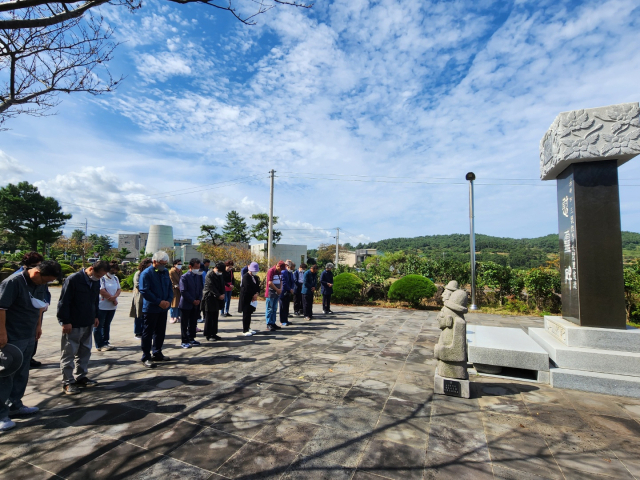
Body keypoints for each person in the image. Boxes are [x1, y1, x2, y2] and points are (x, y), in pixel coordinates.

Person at [0, 261, 61, 430]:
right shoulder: (13, 282)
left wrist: (38, 326)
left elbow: (40, 306)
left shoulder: (39, 283)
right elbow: (1, 308)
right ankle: (1, 414)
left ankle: (15, 406)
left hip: (28, 334)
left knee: (22, 371)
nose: (45, 284)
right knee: (6, 375)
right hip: (11, 336)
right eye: (45, 281)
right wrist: (2, 333)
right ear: (36, 273)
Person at [57, 260, 110, 394]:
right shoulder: (74, 279)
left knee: (85, 351)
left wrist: (96, 316)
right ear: (91, 269)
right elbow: (64, 301)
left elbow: (95, 300)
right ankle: (67, 382)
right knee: (69, 353)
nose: (99, 278)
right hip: (73, 323)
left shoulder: (95, 281)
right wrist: (65, 321)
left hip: (88, 321)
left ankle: (81, 376)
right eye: (98, 275)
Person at [16, 251, 50, 369]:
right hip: (22, 314)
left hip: (37, 310)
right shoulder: (17, 278)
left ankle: (29, 357)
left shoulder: (40, 277)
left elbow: (46, 293)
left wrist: (46, 303)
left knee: (35, 334)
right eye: (37, 264)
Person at [139, 252, 173, 369]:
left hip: (163, 308)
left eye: (165, 263)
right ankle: (146, 356)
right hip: (151, 308)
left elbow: (169, 287)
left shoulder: (164, 272)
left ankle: (157, 352)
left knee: (160, 332)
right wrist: (159, 302)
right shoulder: (146, 273)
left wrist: (168, 300)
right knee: (148, 333)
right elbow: (144, 290)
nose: (163, 265)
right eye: (161, 263)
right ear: (154, 261)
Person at [94, 260, 122, 351]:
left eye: (115, 271)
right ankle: (99, 344)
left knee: (107, 324)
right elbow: (101, 290)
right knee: (99, 325)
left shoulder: (115, 278)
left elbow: (118, 289)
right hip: (102, 305)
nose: (114, 272)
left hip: (112, 305)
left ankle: (106, 342)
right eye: (112, 270)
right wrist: (111, 298)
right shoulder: (102, 278)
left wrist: (115, 297)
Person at [179, 258, 203, 349]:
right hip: (186, 304)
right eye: (196, 267)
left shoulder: (198, 276)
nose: (197, 269)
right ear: (190, 266)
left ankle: (191, 338)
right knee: (184, 324)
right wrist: (192, 300)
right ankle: (184, 340)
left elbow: (200, 289)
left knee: (193, 322)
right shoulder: (184, 277)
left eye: (198, 267)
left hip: (196, 303)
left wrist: (199, 299)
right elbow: (183, 291)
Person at [129, 259, 152, 339]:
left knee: (146, 316)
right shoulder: (138, 274)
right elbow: (137, 285)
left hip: (148, 297)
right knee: (138, 315)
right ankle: (138, 332)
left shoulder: (151, 273)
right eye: (148, 266)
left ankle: (145, 331)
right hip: (139, 297)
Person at [202, 261, 225, 341]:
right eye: (220, 271)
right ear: (216, 268)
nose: (220, 273)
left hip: (217, 298)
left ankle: (214, 333)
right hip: (209, 297)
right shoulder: (210, 274)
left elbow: (222, 285)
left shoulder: (220, 275)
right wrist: (219, 295)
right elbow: (211, 287)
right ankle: (208, 334)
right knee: (209, 317)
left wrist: (222, 294)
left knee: (215, 316)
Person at [238, 262, 260, 336]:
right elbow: (247, 288)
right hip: (246, 298)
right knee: (246, 314)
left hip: (252, 298)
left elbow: (257, 287)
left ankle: (248, 327)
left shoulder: (255, 278)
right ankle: (245, 329)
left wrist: (256, 294)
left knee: (249, 313)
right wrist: (253, 295)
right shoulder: (246, 276)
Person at [265, 261, 285, 332]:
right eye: (281, 269)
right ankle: (269, 323)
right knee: (269, 309)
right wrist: (277, 289)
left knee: (274, 309)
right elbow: (269, 282)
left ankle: (273, 323)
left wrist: (280, 289)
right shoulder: (271, 271)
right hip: (271, 293)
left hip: (277, 293)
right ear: (278, 266)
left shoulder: (279, 272)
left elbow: (281, 281)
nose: (281, 270)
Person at [279, 260, 295, 326]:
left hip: (288, 292)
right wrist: (289, 289)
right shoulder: (283, 272)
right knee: (282, 307)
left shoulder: (290, 273)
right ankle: (282, 321)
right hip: (283, 292)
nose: (291, 270)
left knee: (286, 307)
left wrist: (292, 288)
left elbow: (292, 281)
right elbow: (284, 283)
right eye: (291, 268)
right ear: (288, 266)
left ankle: (286, 320)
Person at [169, 259, 182, 324]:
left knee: (179, 303)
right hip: (174, 289)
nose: (180, 265)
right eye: (178, 264)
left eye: (180, 264)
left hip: (180, 289)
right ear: (174, 265)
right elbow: (172, 281)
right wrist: (177, 286)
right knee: (174, 303)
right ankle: (172, 316)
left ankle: (177, 316)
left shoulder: (180, 271)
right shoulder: (171, 271)